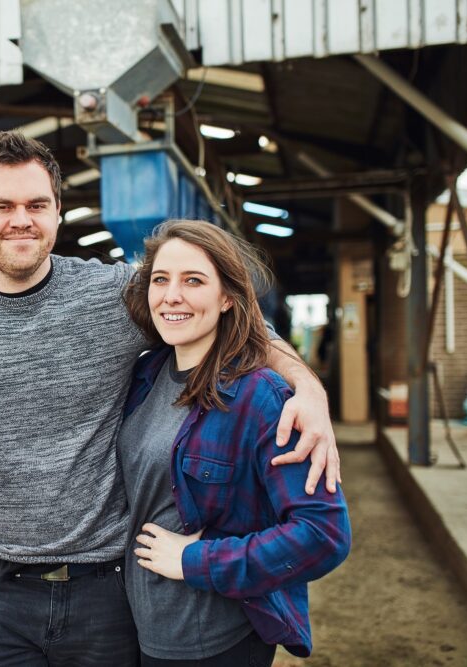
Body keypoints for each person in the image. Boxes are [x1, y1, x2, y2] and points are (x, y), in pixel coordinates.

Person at [0, 131, 340, 665]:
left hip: (105, 587)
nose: (21, 220)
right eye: (2, 206)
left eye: (37, 204)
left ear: (57, 213)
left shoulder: (115, 295)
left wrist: (309, 388)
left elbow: (236, 324)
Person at [120, 220, 351, 665]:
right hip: (139, 625)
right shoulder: (145, 377)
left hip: (214, 638)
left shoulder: (260, 396)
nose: (172, 295)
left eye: (194, 281)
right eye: (161, 279)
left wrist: (197, 561)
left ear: (228, 297)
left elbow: (324, 534)